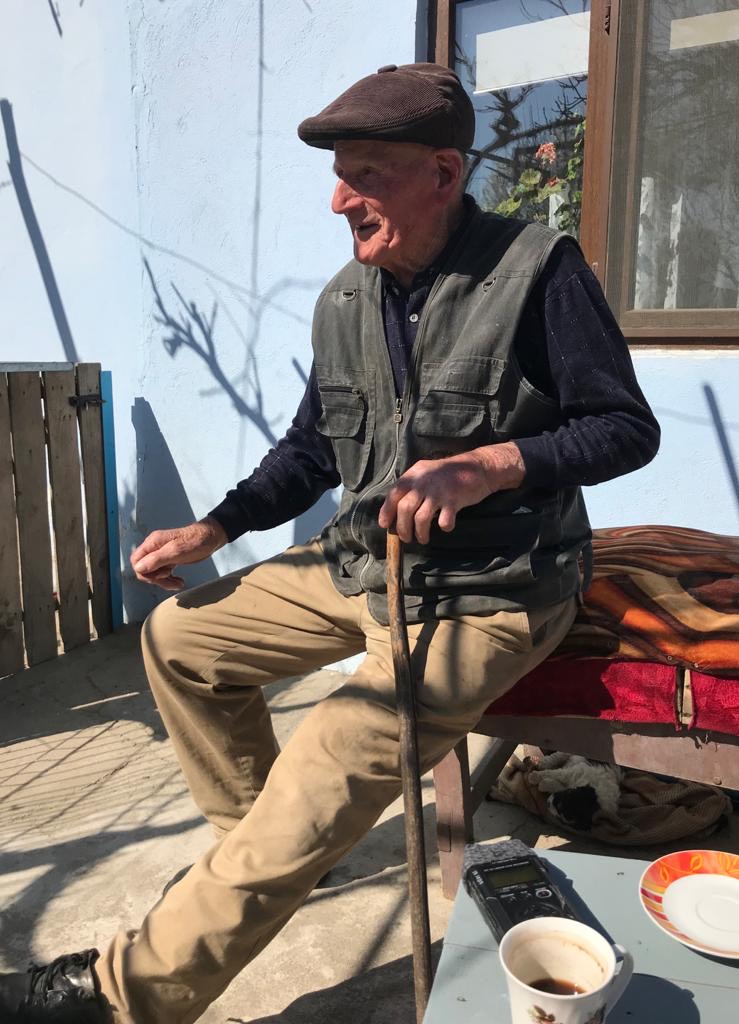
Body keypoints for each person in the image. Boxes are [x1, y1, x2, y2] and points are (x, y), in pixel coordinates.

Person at [0, 63, 660, 1023]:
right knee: (180, 639)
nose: (340, 199)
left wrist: (490, 465)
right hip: (363, 564)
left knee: (325, 765)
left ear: (443, 173)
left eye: (366, 175)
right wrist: (216, 525)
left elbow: (625, 428)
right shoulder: (347, 299)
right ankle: (262, 852)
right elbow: (312, 448)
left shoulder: (538, 270)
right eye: (339, 175)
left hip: (492, 590)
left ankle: (117, 997)